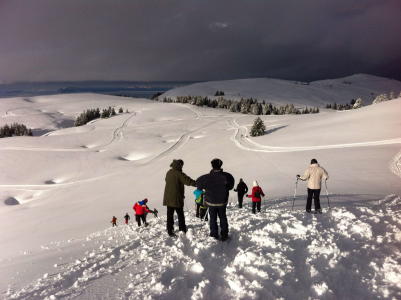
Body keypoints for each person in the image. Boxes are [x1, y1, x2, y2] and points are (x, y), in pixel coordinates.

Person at [196, 158, 234, 241]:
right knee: (223, 217)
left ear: (212, 165)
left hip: (211, 202)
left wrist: (202, 190)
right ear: (221, 165)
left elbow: (198, 183)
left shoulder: (206, 177)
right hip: (222, 202)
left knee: (212, 218)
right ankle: (224, 234)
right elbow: (231, 187)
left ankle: (214, 234)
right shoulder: (227, 176)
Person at [163, 159, 196, 237]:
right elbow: (188, 181)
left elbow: (166, 180)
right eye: (182, 165)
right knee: (180, 214)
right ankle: (182, 229)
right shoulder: (179, 173)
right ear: (180, 165)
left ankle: (170, 230)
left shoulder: (169, 172)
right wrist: (197, 183)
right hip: (177, 198)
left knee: (170, 215)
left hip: (168, 198)